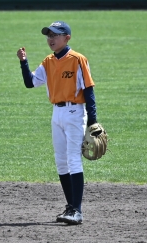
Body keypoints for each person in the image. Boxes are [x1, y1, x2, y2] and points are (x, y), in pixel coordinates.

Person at [16, 21, 98, 225]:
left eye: (55, 35)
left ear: (67, 38)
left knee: (73, 159)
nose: (50, 39)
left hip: (75, 113)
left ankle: (77, 211)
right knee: (61, 161)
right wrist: (23, 62)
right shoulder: (48, 62)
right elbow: (30, 83)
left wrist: (93, 122)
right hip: (57, 114)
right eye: (49, 35)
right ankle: (70, 207)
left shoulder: (78, 60)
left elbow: (88, 90)